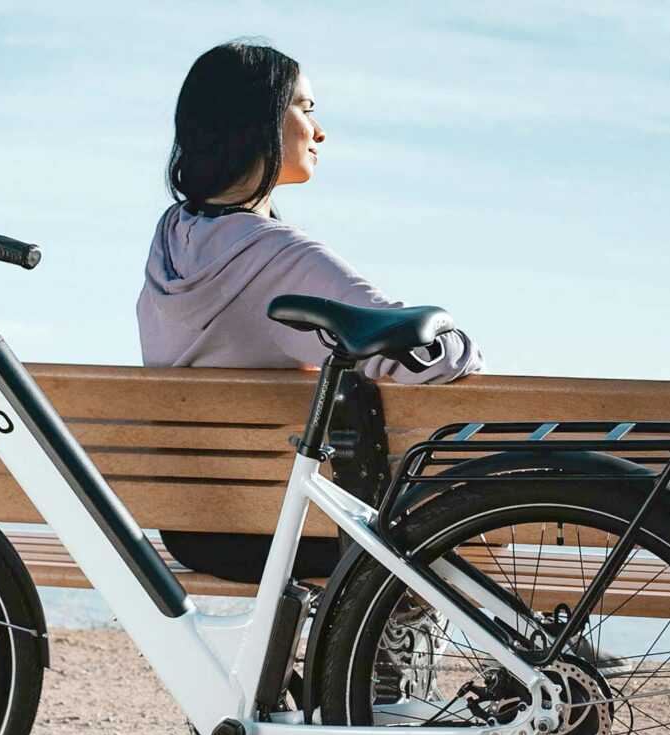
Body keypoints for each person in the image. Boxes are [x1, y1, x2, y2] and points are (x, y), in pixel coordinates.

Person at [138, 40, 482, 583]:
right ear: (256, 122)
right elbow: (418, 357)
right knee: (443, 538)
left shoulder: (171, 239)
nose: (319, 132)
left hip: (194, 529)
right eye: (306, 108)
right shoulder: (278, 257)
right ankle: (395, 654)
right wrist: (462, 344)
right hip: (294, 526)